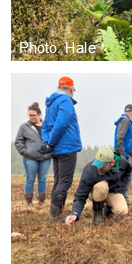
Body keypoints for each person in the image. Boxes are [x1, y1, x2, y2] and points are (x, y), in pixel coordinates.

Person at [40, 76, 83, 224]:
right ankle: (56, 217)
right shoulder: (65, 101)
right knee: (64, 182)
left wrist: (47, 142)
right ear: (71, 89)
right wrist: (50, 142)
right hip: (67, 147)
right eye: (73, 90)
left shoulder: (51, 103)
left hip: (56, 149)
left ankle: (55, 215)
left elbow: (45, 125)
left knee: (58, 181)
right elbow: (61, 124)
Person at [64, 148, 131, 226]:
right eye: (97, 164)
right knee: (101, 186)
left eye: (102, 165)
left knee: (122, 211)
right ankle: (98, 212)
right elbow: (80, 195)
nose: (98, 168)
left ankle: (108, 209)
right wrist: (75, 214)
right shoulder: (89, 169)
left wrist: (120, 189)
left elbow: (128, 172)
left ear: (112, 163)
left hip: (111, 191)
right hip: (96, 191)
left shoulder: (122, 162)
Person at [14, 102, 51, 209]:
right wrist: (26, 152)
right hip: (30, 158)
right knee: (30, 179)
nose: (31, 117)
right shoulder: (24, 127)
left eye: (33, 115)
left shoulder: (47, 125)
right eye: (29, 115)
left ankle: (42, 201)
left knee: (43, 179)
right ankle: (29, 202)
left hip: (45, 157)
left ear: (39, 114)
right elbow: (18, 142)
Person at [112, 104, 132, 209]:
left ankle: (123, 198)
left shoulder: (124, 120)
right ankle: (121, 199)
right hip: (124, 154)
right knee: (125, 177)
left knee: (122, 176)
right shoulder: (126, 120)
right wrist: (123, 155)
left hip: (123, 153)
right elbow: (119, 138)